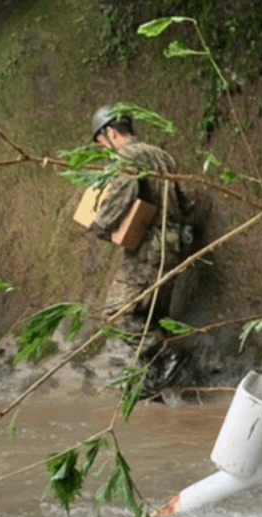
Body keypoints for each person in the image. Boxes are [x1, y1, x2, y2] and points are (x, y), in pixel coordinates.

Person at [85, 105, 191, 383]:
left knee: (115, 314)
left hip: (147, 249)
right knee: (152, 316)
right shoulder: (162, 156)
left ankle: (166, 354)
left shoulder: (126, 157)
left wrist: (101, 224)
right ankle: (157, 382)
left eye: (101, 143)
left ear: (109, 133)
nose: (103, 150)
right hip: (175, 245)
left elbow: (123, 192)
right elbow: (186, 200)